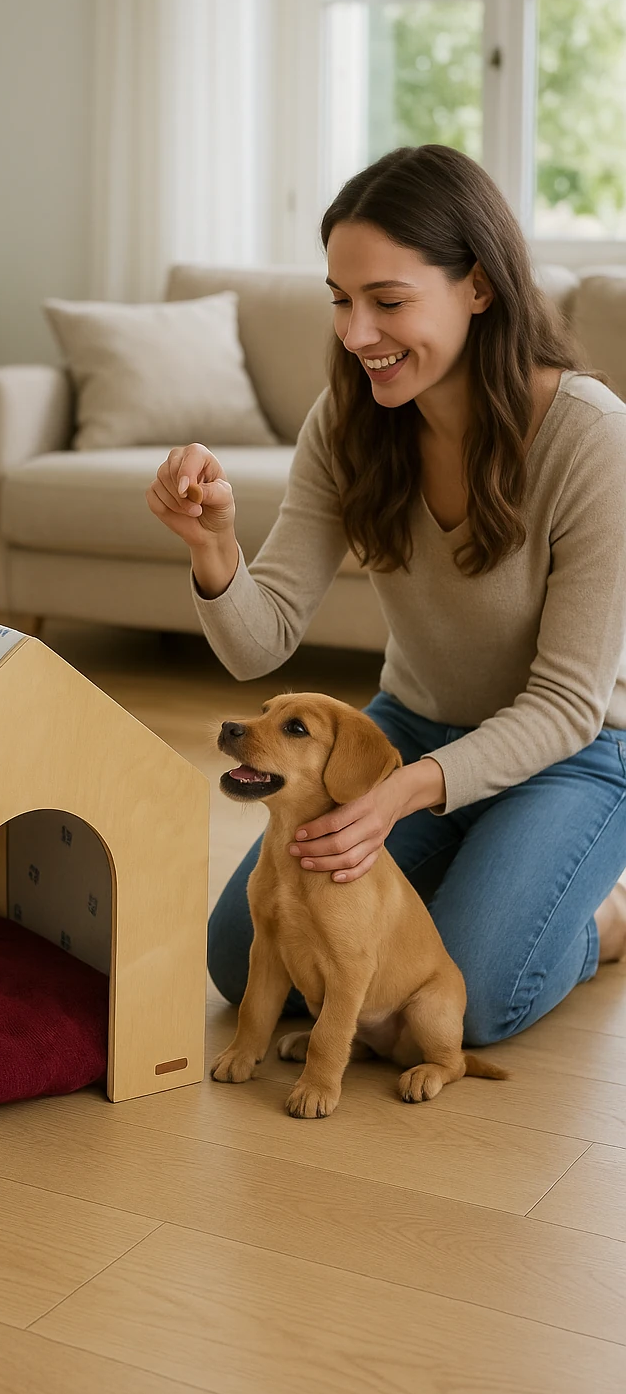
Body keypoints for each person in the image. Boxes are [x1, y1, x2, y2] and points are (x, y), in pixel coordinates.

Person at [146, 144, 626, 1045]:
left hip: (576, 753)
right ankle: (474, 880)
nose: (357, 333)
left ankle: (602, 919)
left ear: (478, 285)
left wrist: (403, 796)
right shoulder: (349, 422)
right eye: (340, 299)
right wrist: (215, 547)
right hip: (412, 726)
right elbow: (259, 644)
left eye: (388, 302)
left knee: (471, 996)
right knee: (244, 955)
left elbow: (567, 703)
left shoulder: (591, 438)